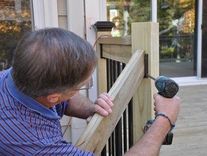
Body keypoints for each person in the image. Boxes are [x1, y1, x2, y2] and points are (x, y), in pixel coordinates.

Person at [0, 28, 180, 156]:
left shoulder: (20, 73)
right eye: (82, 85)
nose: (86, 87)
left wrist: (91, 108)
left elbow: (67, 99)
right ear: (54, 96)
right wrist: (164, 120)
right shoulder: (32, 141)